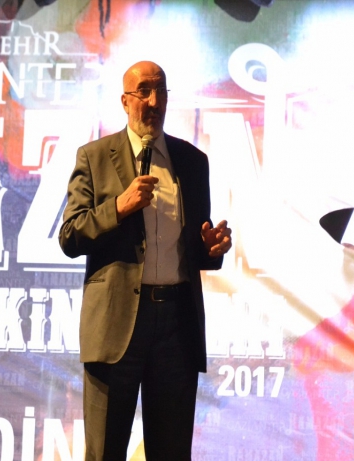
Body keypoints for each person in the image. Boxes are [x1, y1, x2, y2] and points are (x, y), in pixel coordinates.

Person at [59, 60, 232, 460]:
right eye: (143, 92)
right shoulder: (95, 157)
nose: (153, 102)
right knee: (105, 452)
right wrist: (118, 207)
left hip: (176, 327)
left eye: (161, 92)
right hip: (116, 326)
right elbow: (69, 236)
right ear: (125, 101)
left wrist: (211, 248)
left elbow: (194, 251)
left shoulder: (192, 162)